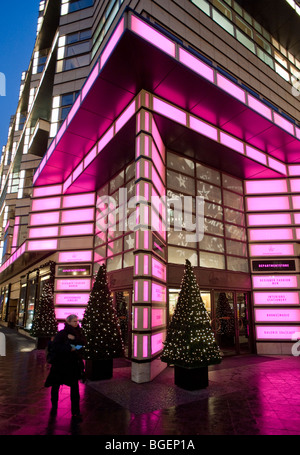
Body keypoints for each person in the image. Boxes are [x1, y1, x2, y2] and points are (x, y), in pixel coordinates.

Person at [44, 314, 86, 419]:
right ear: (69, 322)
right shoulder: (62, 334)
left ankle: (76, 411)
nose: (77, 323)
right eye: (74, 321)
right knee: (56, 385)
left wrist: (75, 340)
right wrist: (69, 348)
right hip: (60, 364)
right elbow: (56, 347)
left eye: (77, 321)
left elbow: (83, 343)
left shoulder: (78, 333)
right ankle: (54, 406)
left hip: (72, 364)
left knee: (74, 389)